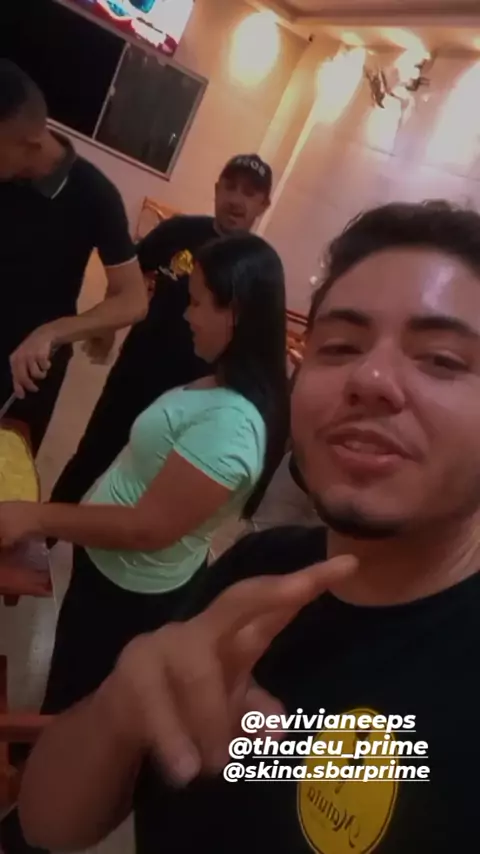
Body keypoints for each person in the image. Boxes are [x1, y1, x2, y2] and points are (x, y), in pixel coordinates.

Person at [16, 199, 480, 853]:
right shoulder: (254, 572)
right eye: (339, 347)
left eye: (441, 359)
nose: (370, 377)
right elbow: (47, 825)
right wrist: (118, 707)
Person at [0, 231, 289, 854]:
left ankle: (31, 830)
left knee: (76, 714)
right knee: (66, 695)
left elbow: (148, 527)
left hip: (129, 595)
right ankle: (27, 790)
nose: (186, 313)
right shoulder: (219, 383)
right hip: (111, 574)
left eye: (199, 302)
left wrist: (35, 516)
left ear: (236, 313)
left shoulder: (233, 425)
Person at [49, 153, 273, 507]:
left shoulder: (258, 267)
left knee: (151, 488)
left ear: (263, 204)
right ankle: (42, 533)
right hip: (136, 372)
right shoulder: (178, 232)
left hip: (195, 396)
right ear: (217, 189)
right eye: (230, 187)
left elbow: (256, 342)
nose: (236, 200)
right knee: (90, 458)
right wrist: (107, 327)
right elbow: (129, 274)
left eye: (249, 192)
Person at [0, 60, 148, 454]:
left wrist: (54, 331)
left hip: (24, 370)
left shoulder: (93, 194)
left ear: (30, 142)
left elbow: (133, 298)